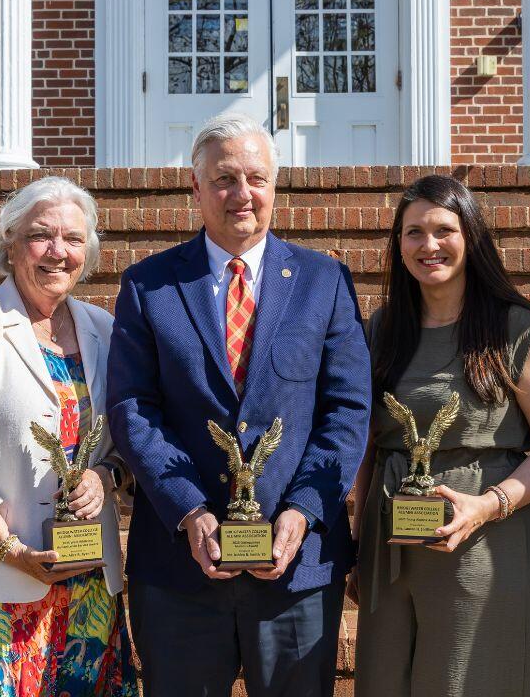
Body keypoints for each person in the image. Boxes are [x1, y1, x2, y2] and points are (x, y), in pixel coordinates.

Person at [107, 112, 370, 697]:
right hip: (179, 567)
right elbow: (132, 408)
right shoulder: (148, 285)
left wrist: (302, 510)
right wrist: (189, 511)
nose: (242, 194)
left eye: (257, 177)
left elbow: (347, 411)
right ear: (195, 189)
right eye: (225, 179)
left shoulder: (324, 280)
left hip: (296, 567)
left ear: (275, 186)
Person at [350, 174, 530, 696]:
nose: (428, 245)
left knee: (468, 682)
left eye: (443, 230)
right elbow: (367, 445)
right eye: (413, 233)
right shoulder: (381, 331)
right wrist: (358, 542)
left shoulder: (520, 331)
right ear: (398, 245)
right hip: (391, 545)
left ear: (470, 237)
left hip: (483, 541)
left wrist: (488, 505)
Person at [0, 176, 138, 696]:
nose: (57, 252)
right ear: (10, 243)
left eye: (73, 239)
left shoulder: (103, 330)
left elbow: (121, 441)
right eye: (42, 235)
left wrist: (105, 477)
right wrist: (10, 549)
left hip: (87, 581)